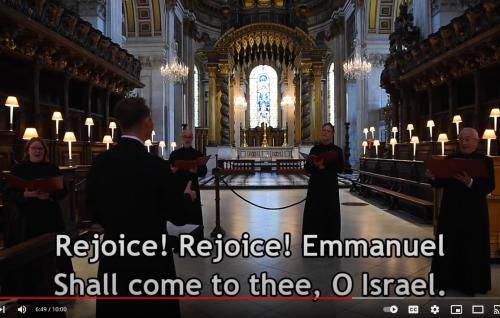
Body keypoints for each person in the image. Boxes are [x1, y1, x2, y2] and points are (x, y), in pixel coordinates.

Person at [86, 97, 195, 317]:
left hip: (115, 251)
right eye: (152, 120)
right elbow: (177, 215)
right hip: (151, 255)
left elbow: (92, 209)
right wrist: (187, 197)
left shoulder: (101, 162)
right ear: (146, 122)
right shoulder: (156, 166)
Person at [426, 127, 494, 295]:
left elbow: (489, 186)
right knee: (448, 245)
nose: (464, 142)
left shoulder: (485, 161)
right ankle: (444, 281)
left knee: (471, 248)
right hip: (451, 210)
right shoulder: (451, 158)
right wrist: (433, 178)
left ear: (476, 142)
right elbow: (442, 182)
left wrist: (470, 182)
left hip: (474, 212)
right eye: (461, 139)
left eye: (468, 139)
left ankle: (471, 284)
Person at [5, 137, 73, 296]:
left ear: (45, 151)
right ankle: (26, 290)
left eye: (40, 149)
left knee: (54, 255)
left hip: (49, 218)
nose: (37, 151)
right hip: (26, 220)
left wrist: (49, 195)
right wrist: (25, 194)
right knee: (27, 255)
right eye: (34, 148)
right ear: (28, 151)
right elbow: (9, 193)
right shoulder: (18, 169)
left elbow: (62, 191)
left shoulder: (52, 168)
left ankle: (58, 288)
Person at [302, 123, 344, 254]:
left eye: (328, 131)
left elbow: (340, 168)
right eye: (324, 130)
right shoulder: (315, 150)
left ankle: (330, 246)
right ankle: (313, 246)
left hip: (330, 188)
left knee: (329, 214)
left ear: (332, 134)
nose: (325, 133)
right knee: (314, 215)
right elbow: (307, 168)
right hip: (315, 187)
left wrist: (323, 166)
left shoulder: (337, 150)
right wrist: (314, 164)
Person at [169, 129, 207, 230]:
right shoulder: (174, 154)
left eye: (189, 137)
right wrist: (172, 171)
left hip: (193, 187)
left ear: (192, 138)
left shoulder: (197, 154)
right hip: (178, 188)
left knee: (193, 216)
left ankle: (196, 239)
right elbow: (168, 172)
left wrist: (196, 171)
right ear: (182, 138)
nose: (187, 139)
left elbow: (204, 172)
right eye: (185, 137)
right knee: (179, 215)